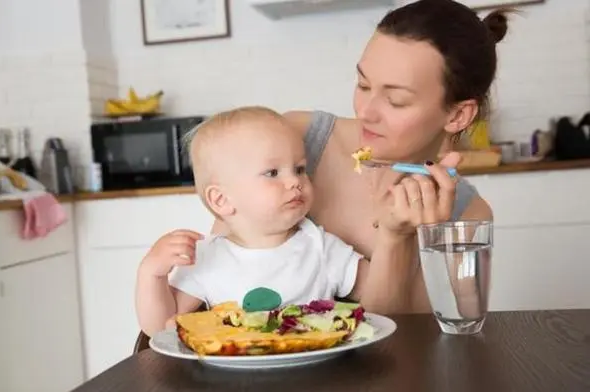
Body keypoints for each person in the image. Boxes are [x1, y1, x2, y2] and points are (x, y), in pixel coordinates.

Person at [139, 0, 507, 332]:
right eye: (363, 85)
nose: (365, 111)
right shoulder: (297, 140)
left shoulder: (465, 218)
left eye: (395, 100)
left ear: (458, 114)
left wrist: (402, 238)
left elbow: (403, 343)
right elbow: (221, 278)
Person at [136, 106, 387, 337]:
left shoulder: (320, 246)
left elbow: (380, 298)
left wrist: (393, 232)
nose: (295, 181)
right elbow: (162, 327)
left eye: (299, 169)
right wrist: (152, 274)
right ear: (221, 199)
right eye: (272, 173)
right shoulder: (207, 257)